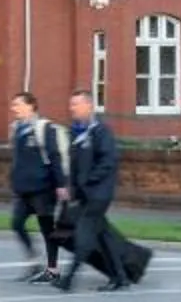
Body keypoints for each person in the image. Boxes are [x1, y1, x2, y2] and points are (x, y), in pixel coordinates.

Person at [54, 89, 146, 290]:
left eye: (76, 104)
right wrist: (72, 187)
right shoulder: (77, 134)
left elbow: (108, 162)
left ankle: (68, 278)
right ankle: (120, 277)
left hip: (99, 195)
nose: (72, 109)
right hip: (86, 195)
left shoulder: (101, 132)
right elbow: (74, 167)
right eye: (71, 105)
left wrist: (87, 181)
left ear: (89, 106)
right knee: (103, 237)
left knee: (84, 236)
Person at [5, 92, 69, 283]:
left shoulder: (44, 128)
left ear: (31, 106)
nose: (14, 108)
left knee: (47, 229)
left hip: (43, 189)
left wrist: (61, 184)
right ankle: (34, 262)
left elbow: (55, 156)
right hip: (23, 190)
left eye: (18, 104)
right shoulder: (16, 129)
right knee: (17, 224)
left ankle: (52, 269)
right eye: (13, 104)